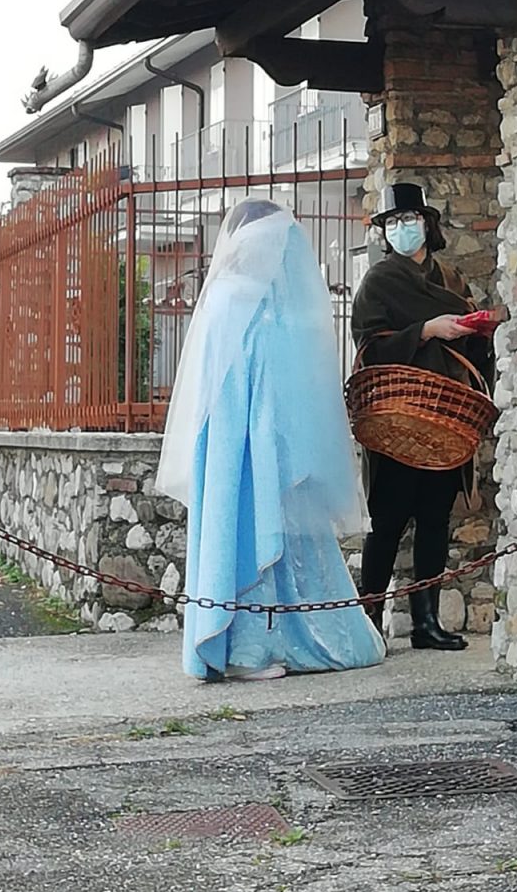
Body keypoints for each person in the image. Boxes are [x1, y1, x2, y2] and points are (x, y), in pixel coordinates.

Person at [156, 199, 385, 682]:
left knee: (263, 541)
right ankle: (246, 649)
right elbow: (250, 384)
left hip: (256, 446)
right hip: (244, 448)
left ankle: (264, 642)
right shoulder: (237, 302)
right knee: (248, 537)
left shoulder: (242, 299)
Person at [351, 182, 495, 652]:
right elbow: (370, 344)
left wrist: (474, 331)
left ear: (427, 224)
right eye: (392, 223)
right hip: (398, 417)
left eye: (408, 220)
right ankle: (368, 616)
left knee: (435, 518)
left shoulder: (452, 280)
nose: (401, 229)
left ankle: (426, 622)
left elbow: (476, 345)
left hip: (446, 413)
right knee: (388, 520)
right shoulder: (378, 281)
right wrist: (425, 331)